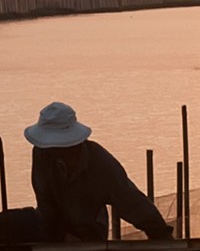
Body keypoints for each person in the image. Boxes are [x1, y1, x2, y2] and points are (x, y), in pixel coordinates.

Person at [24, 101, 173, 242]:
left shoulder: (100, 162)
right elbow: (45, 199)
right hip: (54, 231)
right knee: (14, 224)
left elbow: (130, 200)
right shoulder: (42, 154)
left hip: (90, 232)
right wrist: (60, 235)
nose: (51, 150)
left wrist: (161, 234)